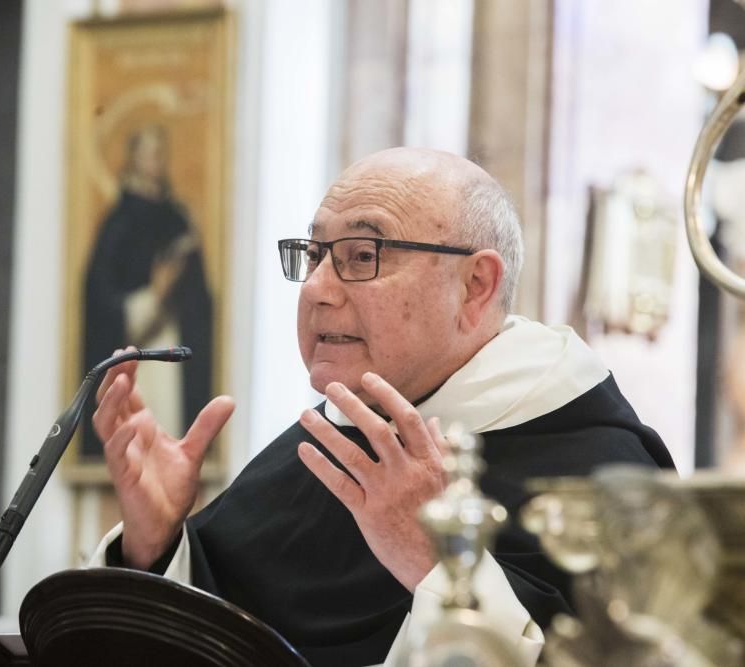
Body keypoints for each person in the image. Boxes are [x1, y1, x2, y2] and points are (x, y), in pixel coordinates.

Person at [87, 147, 674, 666]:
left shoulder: (603, 473)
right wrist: (155, 547)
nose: (317, 287)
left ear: (476, 286)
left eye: (363, 255)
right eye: (314, 254)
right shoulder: (320, 449)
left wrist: (437, 563)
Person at [81, 124, 213, 457]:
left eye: (160, 153)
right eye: (150, 153)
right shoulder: (118, 225)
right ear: (134, 160)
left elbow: (200, 300)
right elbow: (99, 300)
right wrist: (154, 295)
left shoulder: (178, 219)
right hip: (140, 351)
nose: (157, 161)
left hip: (173, 349)